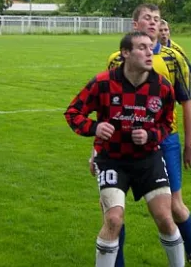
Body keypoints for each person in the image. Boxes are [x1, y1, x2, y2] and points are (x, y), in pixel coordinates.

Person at [65, 32, 184, 267]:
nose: (150, 52)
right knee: (113, 219)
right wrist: (95, 127)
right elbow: (73, 113)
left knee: (164, 218)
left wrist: (150, 135)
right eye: (142, 47)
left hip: (148, 159)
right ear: (126, 53)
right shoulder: (102, 83)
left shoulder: (162, 87)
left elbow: (167, 123)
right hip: (112, 160)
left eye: (150, 47)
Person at [106, 4, 191, 267]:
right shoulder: (117, 59)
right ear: (134, 25)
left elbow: (186, 103)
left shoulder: (174, 58)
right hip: (125, 141)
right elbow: (108, 103)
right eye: (147, 19)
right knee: (115, 208)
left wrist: (189, 144)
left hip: (165, 140)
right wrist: (98, 148)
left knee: (174, 206)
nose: (153, 23)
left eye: (157, 19)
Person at [158, 20, 191, 104]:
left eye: (166, 30)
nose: (163, 33)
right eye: (160, 30)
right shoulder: (150, 48)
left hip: (171, 88)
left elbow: (189, 70)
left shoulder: (177, 50)